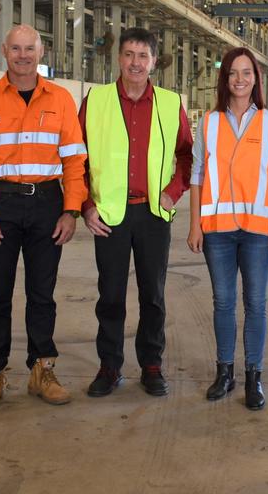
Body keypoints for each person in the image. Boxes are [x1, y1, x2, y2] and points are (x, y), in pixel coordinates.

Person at [0, 24, 87, 410]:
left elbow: (75, 160)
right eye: (15, 49)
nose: (22, 55)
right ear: (4, 51)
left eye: (29, 48)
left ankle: (41, 370)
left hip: (48, 203)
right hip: (0, 204)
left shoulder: (61, 99)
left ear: (41, 51)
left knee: (41, 294)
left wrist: (71, 210)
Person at [80, 27, 193, 398]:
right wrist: (86, 205)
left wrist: (173, 193)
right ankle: (110, 367)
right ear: (119, 59)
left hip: (152, 216)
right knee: (110, 295)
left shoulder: (169, 103)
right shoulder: (95, 101)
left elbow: (187, 156)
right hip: (109, 215)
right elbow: (75, 158)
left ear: (154, 62)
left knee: (153, 295)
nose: (135, 62)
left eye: (142, 56)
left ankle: (151, 365)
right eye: (129, 54)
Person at [187, 47, 268, 410]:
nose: (240, 79)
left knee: (256, 303)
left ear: (256, 80)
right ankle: (225, 372)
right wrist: (195, 225)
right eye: (233, 73)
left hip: (259, 231)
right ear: (224, 78)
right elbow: (197, 175)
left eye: (247, 73)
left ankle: (253, 376)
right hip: (216, 230)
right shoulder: (210, 123)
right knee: (223, 302)